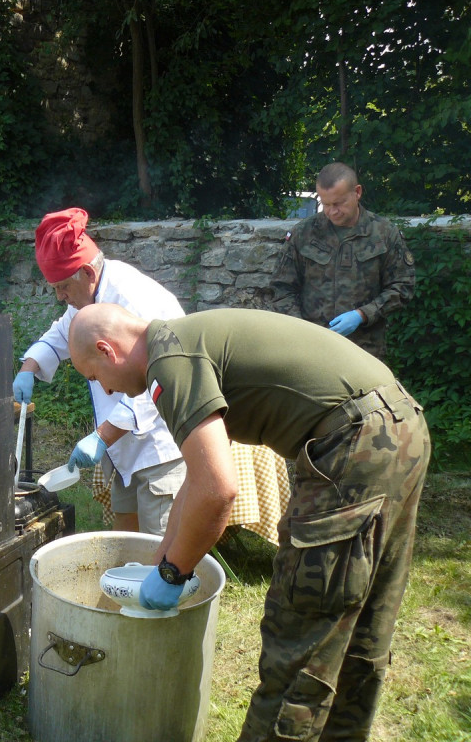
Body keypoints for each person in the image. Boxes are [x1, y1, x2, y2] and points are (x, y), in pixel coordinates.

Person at [67, 302, 430, 741]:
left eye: (94, 377)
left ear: (108, 350)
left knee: (300, 638)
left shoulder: (170, 362)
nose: (104, 388)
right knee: (360, 629)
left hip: (355, 441)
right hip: (399, 425)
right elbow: (193, 483)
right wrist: (162, 554)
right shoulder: (183, 341)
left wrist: (172, 573)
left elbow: (218, 490)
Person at [13, 207, 185, 535]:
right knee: (124, 541)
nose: (61, 296)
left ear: (88, 274)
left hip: (159, 446)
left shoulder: (132, 299)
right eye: (55, 289)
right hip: (123, 450)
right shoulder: (88, 297)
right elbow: (63, 333)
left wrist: (101, 437)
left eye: (63, 286)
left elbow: (159, 383)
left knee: (159, 547)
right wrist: (29, 368)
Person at [269, 162, 416, 361]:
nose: (332, 211)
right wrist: (302, 330)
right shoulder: (304, 233)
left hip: (365, 350)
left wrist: (362, 315)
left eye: (338, 203)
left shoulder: (383, 234)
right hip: (310, 349)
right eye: (326, 204)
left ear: (357, 192)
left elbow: (402, 286)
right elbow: (282, 288)